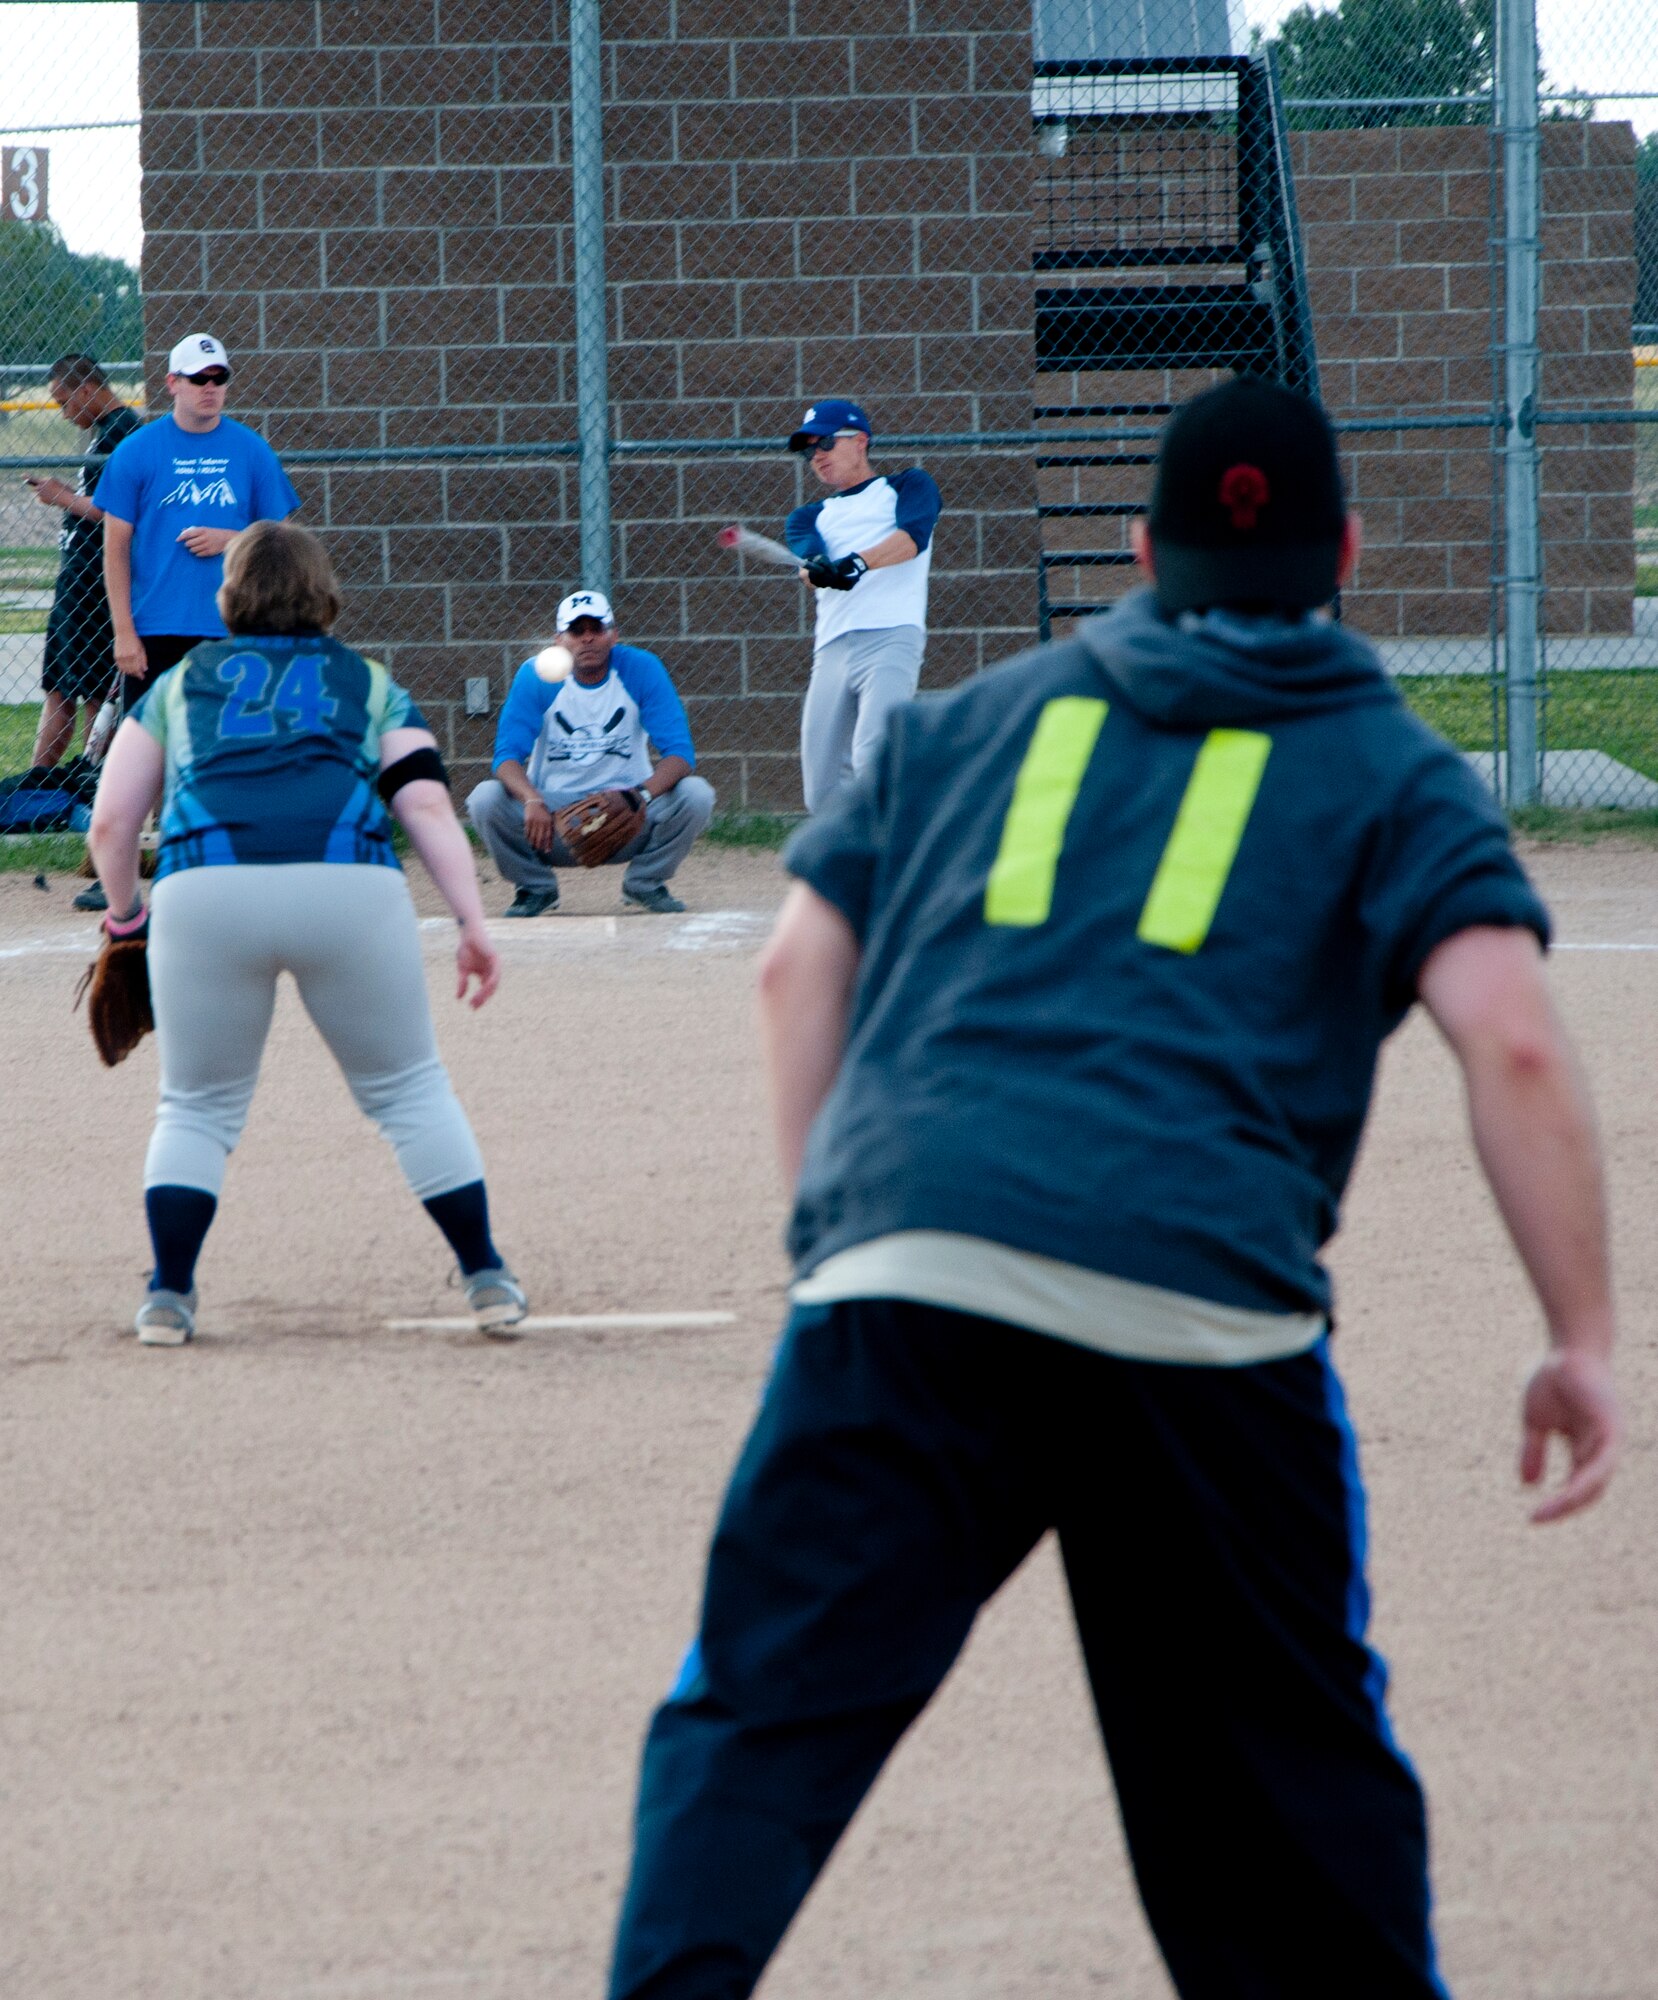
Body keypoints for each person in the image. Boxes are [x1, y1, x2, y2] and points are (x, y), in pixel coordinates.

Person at [605, 378, 1623, 2000]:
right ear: (1344, 550)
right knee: (1281, 1781)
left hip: (909, 1281)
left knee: (758, 1719)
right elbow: (1505, 1042)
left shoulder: (981, 716)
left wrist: (837, 1244)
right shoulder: (1386, 762)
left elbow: (796, 972)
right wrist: (1579, 1330)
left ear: (1140, 550)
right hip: (1198, 1312)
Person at [87, 521, 527, 1348]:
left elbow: (112, 824)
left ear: (230, 593)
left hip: (206, 889)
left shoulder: (179, 685)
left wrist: (125, 920)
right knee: (408, 1091)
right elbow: (426, 805)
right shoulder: (367, 681)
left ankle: (169, 1296)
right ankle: (487, 1278)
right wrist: (471, 919)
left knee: (197, 1108)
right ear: (324, 590)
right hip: (347, 888)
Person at [466, 588, 714, 917]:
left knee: (696, 794)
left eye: (596, 629)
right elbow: (506, 757)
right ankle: (535, 888)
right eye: (576, 631)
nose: (587, 639)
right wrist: (532, 799)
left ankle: (645, 882)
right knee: (485, 798)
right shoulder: (537, 674)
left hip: (628, 812)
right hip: (553, 820)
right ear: (559, 640)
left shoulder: (641, 668)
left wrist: (639, 796)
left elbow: (680, 754)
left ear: (613, 635)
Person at [97, 331, 299, 716]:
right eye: (198, 378)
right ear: (172, 383)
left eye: (219, 379)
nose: (210, 388)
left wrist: (233, 539)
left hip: (235, 627)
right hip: (155, 627)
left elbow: (283, 540)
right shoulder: (136, 452)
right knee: (154, 754)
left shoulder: (252, 450)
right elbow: (116, 548)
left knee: (228, 751)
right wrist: (124, 632)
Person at [782, 398, 940, 811]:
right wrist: (817, 569)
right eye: (808, 449)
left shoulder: (909, 486)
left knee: (874, 759)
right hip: (832, 648)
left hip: (891, 637)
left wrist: (857, 563)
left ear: (860, 442)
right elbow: (808, 563)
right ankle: (846, 867)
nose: (817, 456)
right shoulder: (808, 516)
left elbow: (912, 540)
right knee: (821, 791)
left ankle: (895, 864)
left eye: (826, 443)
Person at [24, 354, 141, 770]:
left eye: (63, 400)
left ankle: (96, 782)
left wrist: (64, 498)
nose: (63, 411)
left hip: (95, 579)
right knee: (58, 684)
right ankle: (38, 787)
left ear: (86, 390)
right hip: (74, 576)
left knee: (94, 688)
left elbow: (126, 510)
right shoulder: (102, 431)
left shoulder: (124, 432)